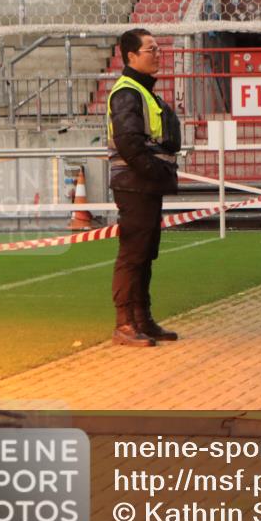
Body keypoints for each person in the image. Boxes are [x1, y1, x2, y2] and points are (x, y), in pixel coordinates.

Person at [107, 28, 181, 347]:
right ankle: (125, 324)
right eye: (151, 49)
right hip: (135, 185)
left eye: (158, 49)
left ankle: (142, 319)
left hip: (145, 184)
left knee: (145, 254)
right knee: (133, 255)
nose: (158, 54)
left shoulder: (143, 91)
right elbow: (129, 143)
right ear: (132, 56)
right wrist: (154, 172)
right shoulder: (127, 93)